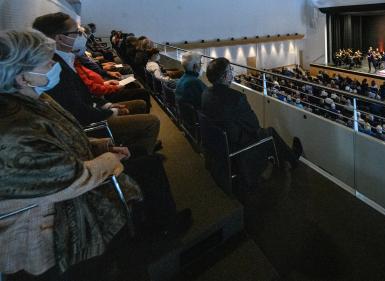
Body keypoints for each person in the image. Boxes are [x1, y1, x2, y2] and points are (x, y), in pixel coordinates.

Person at [0, 29, 190, 281]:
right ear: (23, 76)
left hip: (73, 177)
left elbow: (62, 138)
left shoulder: (33, 100)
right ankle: (159, 232)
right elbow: (70, 179)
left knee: (145, 157)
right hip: (57, 217)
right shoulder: (14, 129)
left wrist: (100, 146)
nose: (53, 65)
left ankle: (154, 226)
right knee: (149, 164)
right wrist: (108, 160)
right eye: (46, 63)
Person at [33, 12, 160, 155]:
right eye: (76, 32)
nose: (81, 36)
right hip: (91, 123)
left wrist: (107, 105)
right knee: (152, 121)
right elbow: (79, 110)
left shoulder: (65, 59)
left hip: (95, 107)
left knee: (140, 104)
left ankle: (136, 147)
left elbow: (84, 94)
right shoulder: (54, 67)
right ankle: (134, 158)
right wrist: (111, 111)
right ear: (60, 38)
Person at [201, 57, 302, 191]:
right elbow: (254, 125)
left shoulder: (205, 93)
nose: (233, 73)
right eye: (231, 70)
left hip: (219, 145)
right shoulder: (237, 98)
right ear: (225, 76)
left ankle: (283, 158)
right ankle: (292, 159)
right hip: (236, 146)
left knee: (264, 133)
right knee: (269, 132)